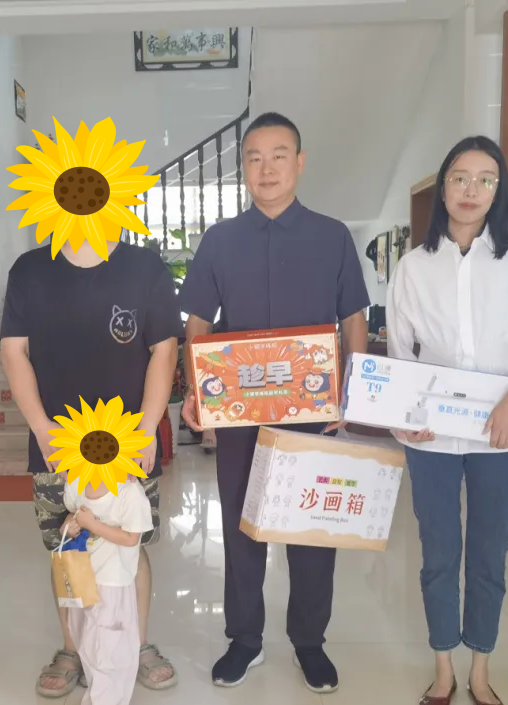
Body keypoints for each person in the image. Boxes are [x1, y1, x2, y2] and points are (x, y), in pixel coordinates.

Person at [177, 111, 370, 694]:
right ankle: (245, 639)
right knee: (242, 527)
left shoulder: (332, 236)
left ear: (299, 163)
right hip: (241, 413)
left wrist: (354, 387)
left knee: (311, 526)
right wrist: (198, 392)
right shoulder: (219, 240)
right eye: (254, 158)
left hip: (312, 411)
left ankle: (309, 642)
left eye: (278, 156)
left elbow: (353, 317)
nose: (266, 169)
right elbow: (197, 322)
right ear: (243, 168)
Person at [385, 136, 508, 705]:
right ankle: (444, 670)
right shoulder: (413, 267)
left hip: (500, 435)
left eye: (485, 179)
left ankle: (480, 672)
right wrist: (403, 422)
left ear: (498, 190)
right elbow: (400, 358)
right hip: (431, 438)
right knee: (438, 555)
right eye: (460, 178)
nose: (471, 190)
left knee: (489, 555)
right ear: (443, 187)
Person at [0, 237, 183, 699]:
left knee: (130, 542)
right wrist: (41, 428)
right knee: (67, 547)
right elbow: (14, 351)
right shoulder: (30, 269)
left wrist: (146, 428)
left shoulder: (145, 267)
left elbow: (165, 350)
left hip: (127, 444)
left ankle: (135, 643)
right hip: (57, 445)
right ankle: (73, 649)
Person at [61, 475, 154, 705]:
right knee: (85, 637)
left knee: (108, 646)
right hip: (84, 577)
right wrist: (70, 524)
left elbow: (131, 538)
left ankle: (106, 699)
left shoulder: (129, 491)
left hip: (112, 582)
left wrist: (94, 525)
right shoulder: (77, 481)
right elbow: (72, 513)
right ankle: (98, 690)